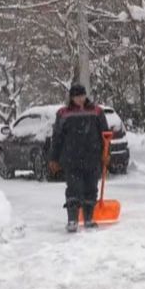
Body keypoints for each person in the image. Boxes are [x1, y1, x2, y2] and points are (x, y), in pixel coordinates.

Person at [49, 84, 110, 232]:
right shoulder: (63, 113)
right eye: (77, 97)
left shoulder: (96, 112)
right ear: (72, 98)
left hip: (92, 157)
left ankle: (89, 218)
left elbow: (106, 135)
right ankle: (72, 220)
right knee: (74, 189)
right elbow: (57, 137)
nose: (80, 99)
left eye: (82, 96)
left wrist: (107, 153)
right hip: (71, 158)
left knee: (91, 188)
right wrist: (54, 158)